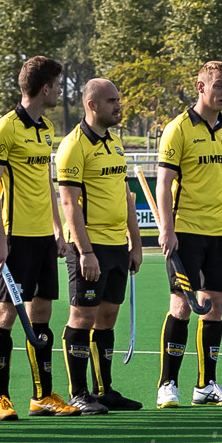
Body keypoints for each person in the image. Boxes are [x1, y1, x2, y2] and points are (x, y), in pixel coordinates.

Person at [154, 60, 222, 406]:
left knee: (215, 306)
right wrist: (167, 229)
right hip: (185, 233)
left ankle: (206, 384)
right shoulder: (177, 129)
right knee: (181, 305)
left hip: (219, 232)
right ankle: (167, 384)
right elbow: (164, 184)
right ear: (200, 86)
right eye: (219, 86)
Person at [0, 55, 71, 417]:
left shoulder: (46, 128)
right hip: (15, 238)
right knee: (5, 314)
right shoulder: (4, 128)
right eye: (58, 85)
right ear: (45, 88)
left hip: (43, 239)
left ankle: (42, 396)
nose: (61, 91)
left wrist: (57, 229)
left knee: (42, 313)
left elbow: (46, 183)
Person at [57, 77, 148, 410]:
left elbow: (125, 196)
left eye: (118, 99)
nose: (118, 105)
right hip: (90, 246)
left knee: (108, 316)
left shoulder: (116, 143)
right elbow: (69, 203)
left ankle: (103, 389)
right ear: (92, 105)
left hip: (116, 245)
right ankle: (78, 393)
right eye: (112, 100)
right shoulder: (73, 146)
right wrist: (85, 252)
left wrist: (135, 243)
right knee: (82, 317)